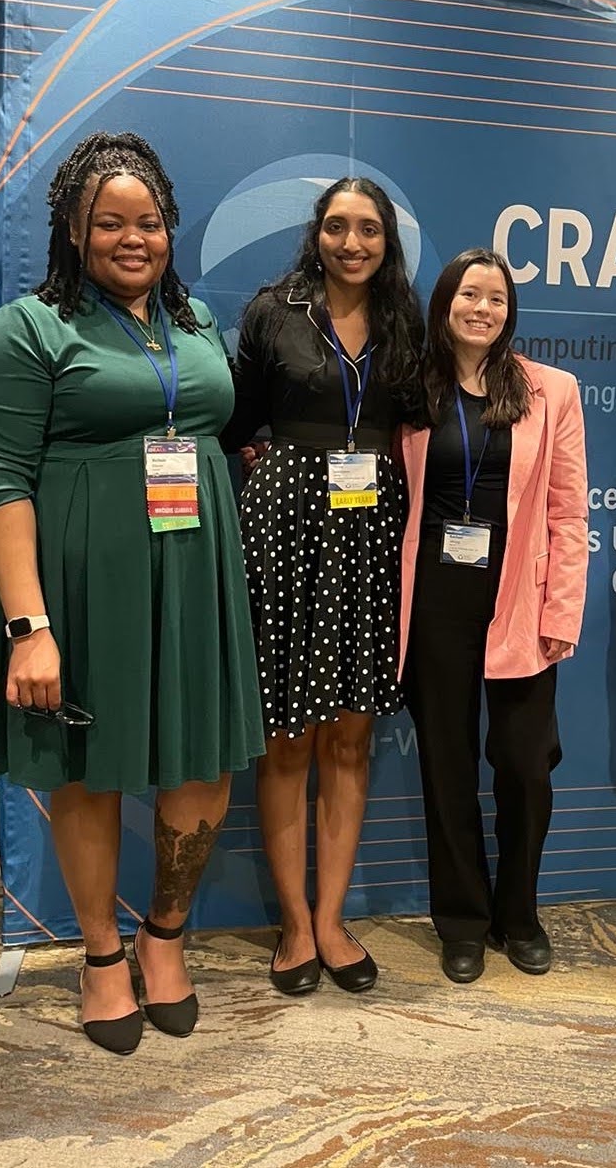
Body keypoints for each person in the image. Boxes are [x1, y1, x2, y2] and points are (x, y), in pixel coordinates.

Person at [0, 132, 265, 1056]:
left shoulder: (199, 324)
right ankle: (101, 954)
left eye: (149, 222)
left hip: (194, 575)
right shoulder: (29, 329)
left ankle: (163, 935)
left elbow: (220, 430)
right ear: (71, 228)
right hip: (81, 584)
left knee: (201, 764)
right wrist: (30, 627)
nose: (132, 239)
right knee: (88, 769)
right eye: (109, 222)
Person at [222, 177, 422, 997]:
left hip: (372, 530)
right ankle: (295, 922)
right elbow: (236, 421)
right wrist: (261, 461)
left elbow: (420, 419)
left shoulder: (407, 321)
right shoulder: (276, 309)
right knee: (287, 738)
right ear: (318, 233)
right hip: (287, 529)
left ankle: (333, 918)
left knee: (349, 735)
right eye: (338, 226)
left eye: (368, 229)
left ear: (386, 241)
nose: (352, 242)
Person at [398, 248, 588, 984]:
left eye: (497, 298)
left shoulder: (552, 390)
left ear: (511, 311)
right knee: (445, 765)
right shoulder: (412, 388)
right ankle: (463, 920)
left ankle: (520, 912)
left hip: (520, 595)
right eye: (469, 295)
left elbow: (570, 513)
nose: (482, 308)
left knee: (524, 763)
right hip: (436, 596)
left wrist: (560, 611)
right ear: (445, 302)